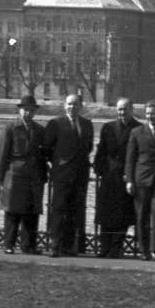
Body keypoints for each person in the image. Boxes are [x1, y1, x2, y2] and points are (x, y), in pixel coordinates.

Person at [0, 94, 48, 255]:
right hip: (15, 173)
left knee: (31, 212)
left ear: (35, 112)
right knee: (12, 211)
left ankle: (28, 246)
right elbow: (2, 153)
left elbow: (44, 155)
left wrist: (43, 175)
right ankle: (8, 244)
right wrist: (0, 176)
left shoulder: (40, 130)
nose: (28, 113)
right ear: (20, 110)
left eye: (31, 110)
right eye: (25, 109)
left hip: (34, 174)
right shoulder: (10, 128)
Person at [43, 93, 94, 257]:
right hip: (62, 173)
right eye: (69, 104)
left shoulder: (87, 124)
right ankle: (55, 246)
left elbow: (89, 147)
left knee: (75, 210)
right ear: (64, 106)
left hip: (81, 173)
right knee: (59, 208)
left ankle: (69, 246)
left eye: (75, 104)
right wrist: (59, 163)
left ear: (81, 106)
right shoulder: (55, 123)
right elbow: (47, 148)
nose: (72, 107)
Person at [124, 99, 155, 261]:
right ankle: (143, 250)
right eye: (147, 114)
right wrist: (130, 180)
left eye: (153, 113)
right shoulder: (137, 132)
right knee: (142, 216)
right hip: (142, 180)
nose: (150, 116)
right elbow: (130, 159)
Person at [93, 98, 140, 258]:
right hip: (109, 176)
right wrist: (100, 170)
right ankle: (104, 246)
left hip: (126, 177)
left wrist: (131, 175)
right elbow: (101, 151)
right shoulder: (108, 127)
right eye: (120, 109)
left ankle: (116, 247)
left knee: (122, 215)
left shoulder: (139, 128)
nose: (122, 112)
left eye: (126, 109)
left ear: (132, 109)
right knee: (105, 215)